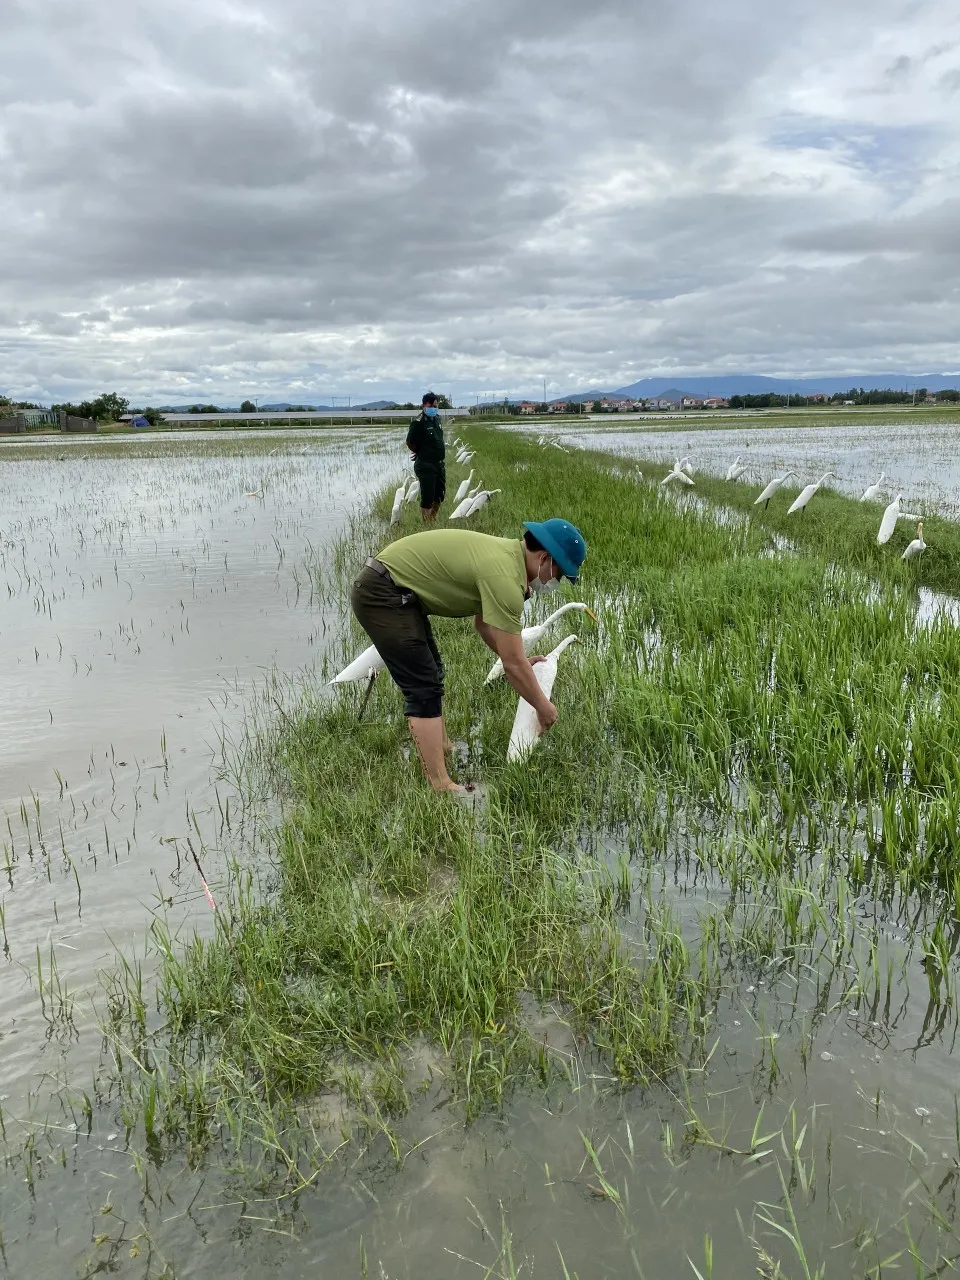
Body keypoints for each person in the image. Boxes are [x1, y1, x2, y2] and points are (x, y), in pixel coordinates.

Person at [350, 518, 587, 792]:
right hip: (382, 592)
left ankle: (442, 746)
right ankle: (441, 784)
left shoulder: (508, 558)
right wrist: (543, 707)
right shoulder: (505, 579)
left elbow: (484, 624)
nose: (555, 583)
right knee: (422, 686)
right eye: (559, 576)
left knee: (433, 672)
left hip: (396, 588)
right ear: (545, 559)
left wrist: (519, 660)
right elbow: (512, 665)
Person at [406, 392, 446, 521]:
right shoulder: (418, 423)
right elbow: (410, 442)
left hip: (439, 464)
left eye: (436, 406)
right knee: (428, 498)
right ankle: (427, 525)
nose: (434, 408)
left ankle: (432, 520)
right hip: (425, 465)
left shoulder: (437, 419)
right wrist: (420, 452)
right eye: (432, 406)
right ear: (424, 405)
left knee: (439, 496)